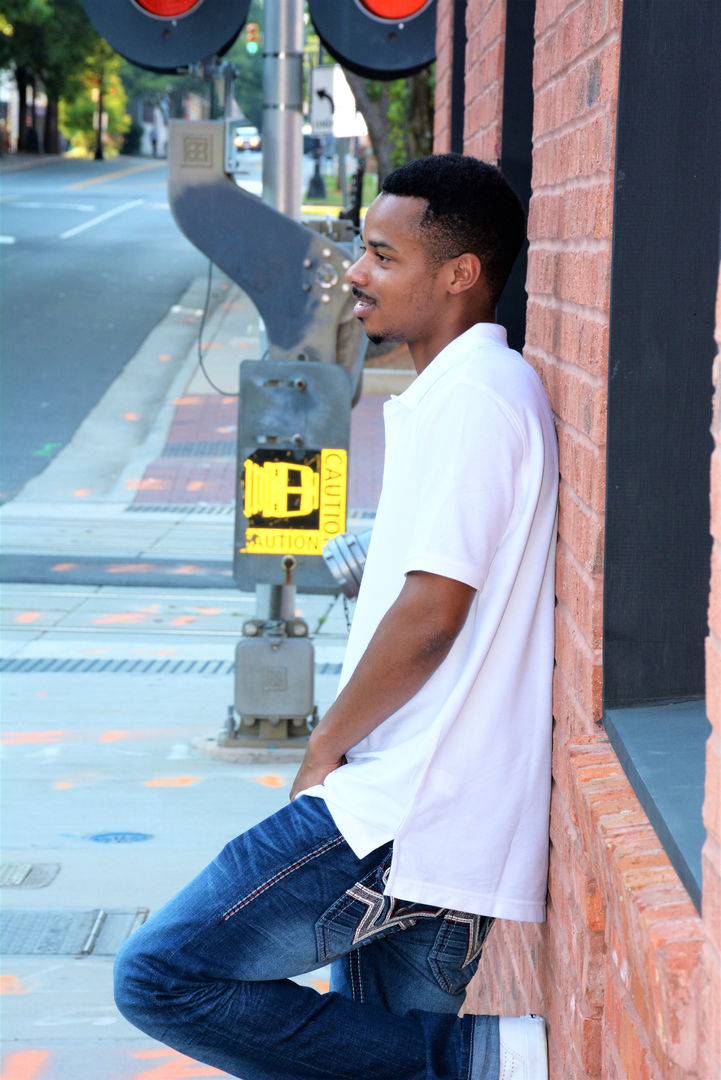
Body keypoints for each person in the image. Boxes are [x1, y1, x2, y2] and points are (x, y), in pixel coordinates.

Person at [114, 153, 559, 1080]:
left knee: (160, 977)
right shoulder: (464, 392)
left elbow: (432, 615)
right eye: (363, 248)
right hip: (433, 805)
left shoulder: (476, 398)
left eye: (383, 256)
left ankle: (484, 1060)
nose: (355, 272)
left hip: (400, 805)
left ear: (459, 273)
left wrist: (324, 746)